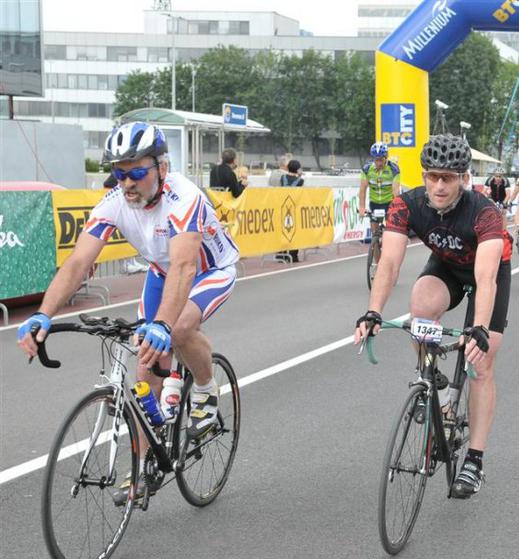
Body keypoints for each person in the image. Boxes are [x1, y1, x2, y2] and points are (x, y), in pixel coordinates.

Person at [16, 122, 241, 503]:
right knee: (143, 370)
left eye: (136, 172)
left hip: (209, 271)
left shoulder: (183, 197)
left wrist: (162, 325)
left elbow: (185, 267)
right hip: (162, 273)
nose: (127, 182)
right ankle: (142, 466)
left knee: (178, 330)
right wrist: (44, 314)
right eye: (119, 173)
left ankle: (204, 389)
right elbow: (77, 263)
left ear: (162, 167)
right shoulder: (114, 203)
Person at [354, 134, 512, 499]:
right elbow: (389, 263)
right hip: (447, 268)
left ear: (463, 178)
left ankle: (474, 459)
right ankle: (431, 377)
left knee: (481, 362)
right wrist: (374, 311)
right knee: (420, 304)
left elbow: (486, 277)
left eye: (448, 178)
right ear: (424, 176)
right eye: (433, 177)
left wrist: (479, 328)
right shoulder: (406, 205)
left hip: (488, 274)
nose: (440, 186)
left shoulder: (485, 211)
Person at [358, 142, 401, 256]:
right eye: (376, 160)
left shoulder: (393, 169)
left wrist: (397, 208)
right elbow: (362, 189)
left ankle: (391, 253)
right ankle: (378, 264)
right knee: (375, 235)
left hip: (389, 203)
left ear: (386, 157)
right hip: (374, 203)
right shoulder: (367, 169)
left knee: (390, 234)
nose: (379, 163)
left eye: (381, 159)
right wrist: (362, 207)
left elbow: (396, 191)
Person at [278, 159, 304, 263]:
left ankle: (281, 254)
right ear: (297, 169)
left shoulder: (283, 178)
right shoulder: (300, 181)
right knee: (294, 231)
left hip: (282, 207)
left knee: (282, 231)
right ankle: (293, 255)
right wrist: (300, 176)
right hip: (294, 208)